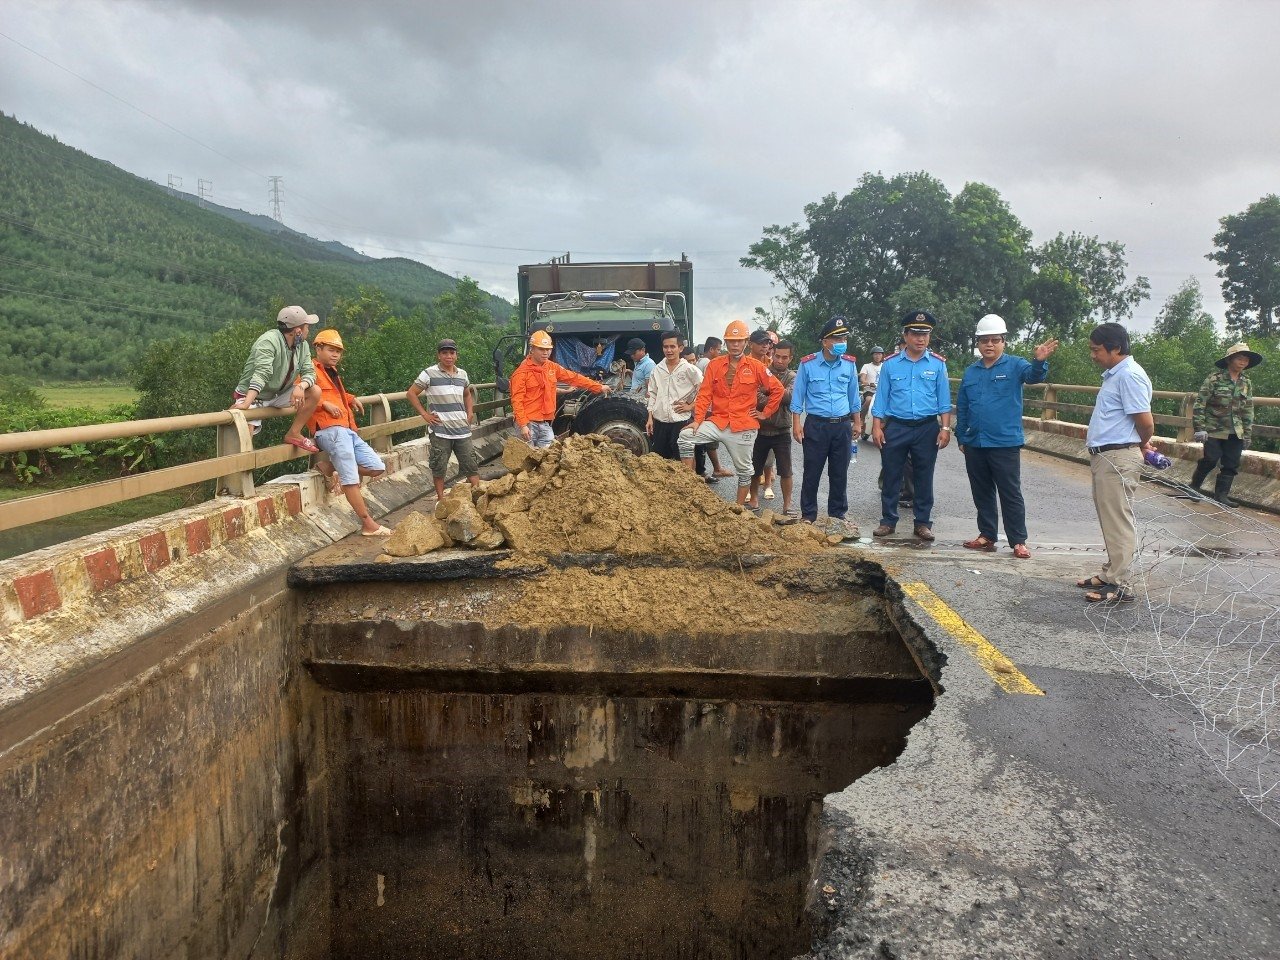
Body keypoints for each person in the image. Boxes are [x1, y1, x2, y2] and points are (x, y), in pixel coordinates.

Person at [954, 314, 1058, 559]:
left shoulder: (1015, 365)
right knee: (981, 491)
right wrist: (961, 437)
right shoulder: (971, 372)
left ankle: (1018, 541)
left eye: (995, 340)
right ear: (978, 344)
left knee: (1010, 492)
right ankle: (987, 535)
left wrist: (1039, 361)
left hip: (1004, 442)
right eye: (984, 340)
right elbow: (963, 405)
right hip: (975, 442)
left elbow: (1033, 377)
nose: (989, 345)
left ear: (1004, 342)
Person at [1077, 322, 1154, 604]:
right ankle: (1110, 574)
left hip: (1118, 457)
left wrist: (1141, 444)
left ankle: (1120, 584)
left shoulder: (1129, 376)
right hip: (1106, 456)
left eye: (1096, 350)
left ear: (1116, 348)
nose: (1093, 355)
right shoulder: (1115, 375)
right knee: (1110, 519)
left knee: (1119, 521)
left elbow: (1145, 422)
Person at [678, 319, 783, 506]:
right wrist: (698, 420)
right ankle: (687, 487)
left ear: (746, 342)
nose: (735, 344)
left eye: (739, 340)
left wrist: (765, 413)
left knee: (745, 471)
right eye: (731, 341)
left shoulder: (756, 366)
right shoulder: (714, 365)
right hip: (717, 422)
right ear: (726, 342)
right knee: (685, 437)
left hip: (743, 426)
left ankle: (738, 509)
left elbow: (778, 390)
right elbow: (705, 394)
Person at [870, 311, 952, 541]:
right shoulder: (890, 364)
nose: (920, 339)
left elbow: (944, 400)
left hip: (927, 427)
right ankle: (888, 521)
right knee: (892, 474)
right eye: (915, 334)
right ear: (905, 336)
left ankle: (923, 523)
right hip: (897, 426)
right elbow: (881, 398)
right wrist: (877, 427)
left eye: (925, 334)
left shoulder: (937, 364)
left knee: (924, 475)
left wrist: (945, 428)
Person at [307, 329, 390, 536]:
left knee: (377, 467)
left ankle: (328, 466)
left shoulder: (332, 372)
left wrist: (351, 398)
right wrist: (323, 404)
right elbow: (299, 393)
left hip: (346, 429)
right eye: (331, 350)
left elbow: (336, 395)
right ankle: (368, 524)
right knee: (350, 478)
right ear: (318, 348)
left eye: (338, 351)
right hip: (330, 431)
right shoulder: (309, 369)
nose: (335, 354)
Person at [790, 317, 861, 535]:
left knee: (839, 472)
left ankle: (837, 515)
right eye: (837, 339)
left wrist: (857, 422)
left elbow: (853, 396)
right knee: (812, 471)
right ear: (825, 342)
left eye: (844, 338)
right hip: (816, 425)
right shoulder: (808, 364)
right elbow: (798, 396)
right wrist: (796, 424)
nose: (841, 342)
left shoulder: (849, 364)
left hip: (842, 425)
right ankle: (808, 515)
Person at [231, 305, 322, 453]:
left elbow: (310, 373)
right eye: (307, 327)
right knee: (244, 441)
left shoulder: (303, 345)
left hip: (279, 394)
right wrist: (247, 403)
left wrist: (301, 386)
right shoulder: (268, 341)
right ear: (297, 331)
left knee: (315, 391)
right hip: (253, 395)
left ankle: (294, 433)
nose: (308, 330)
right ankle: (239, 465)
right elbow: (262, 373)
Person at [509, 329, 610, 448]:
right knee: (526, 457)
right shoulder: (521, 373)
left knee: (549, 456)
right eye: (541, 349)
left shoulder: (551, 367)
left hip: (544, 423)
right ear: (532, 349)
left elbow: (574, 377)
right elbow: (517, 401)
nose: (546, 353)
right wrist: (523, 425)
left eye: (548, 349)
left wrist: (598, 387)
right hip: (528, 424)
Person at [408, 338, 481, 501]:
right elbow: (411, 393)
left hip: (462, 429)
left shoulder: (462, 374)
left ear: (456, 355)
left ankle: (479, 497)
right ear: (439, 355)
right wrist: (425, 414)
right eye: (445, 353)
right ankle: (441, 499)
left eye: (452, 353)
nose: (449, 356)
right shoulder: (429, 373)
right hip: (440, 430)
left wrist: (470, 412)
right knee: (439, 466)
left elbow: (467, 394)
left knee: (471, 464)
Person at [1190, 342, 1261, 507]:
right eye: (1239, 358)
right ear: (1230, 359)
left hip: (1236, 430)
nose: (1243, 362)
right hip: (1213, 428)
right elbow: (1200, 404)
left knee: (1231, 463)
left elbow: (1248, 409)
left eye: (1246, 359)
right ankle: (1194, 487)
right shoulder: (1214, 379)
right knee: (1211, 459)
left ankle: (1221, 495)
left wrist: (1247, 433)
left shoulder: (1246, 382)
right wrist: (1200, 428)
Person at [749, 339, 796, 514]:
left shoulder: (793, 376)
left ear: (790, 358)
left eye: (784, 357)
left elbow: (790, 398)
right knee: (754, 468)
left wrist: (769, 391)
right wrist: (778, 393)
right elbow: (756, 397)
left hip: (782, 430)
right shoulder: (762, 371)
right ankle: (753, 499)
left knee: (786, 470)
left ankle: (787, 505)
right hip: (760, 429)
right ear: (772, 354)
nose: (780, 360)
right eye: (777, 356)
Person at [646, 330, 702, 460]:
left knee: (682, 459)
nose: (669, 350)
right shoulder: (657, 370)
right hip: (660, 422)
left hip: (681, 422)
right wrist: (650, 418)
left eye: (672, 346)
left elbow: (705, 390)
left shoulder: (689, 369)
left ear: (680, 348)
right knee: (659, 460)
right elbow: (652, 394)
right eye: (666, 347)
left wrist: (691, 406)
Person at [859, 346, 885, 439]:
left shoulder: (885, 366)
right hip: (869, 390)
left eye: (880, 354)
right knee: (869, 400)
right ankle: (861, 419)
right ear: (872, 356)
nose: (878, 356)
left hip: (882, 391)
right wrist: (866, 382)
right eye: (875, 354)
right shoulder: (866, 366)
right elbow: (862, 378)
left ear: (882, 355)